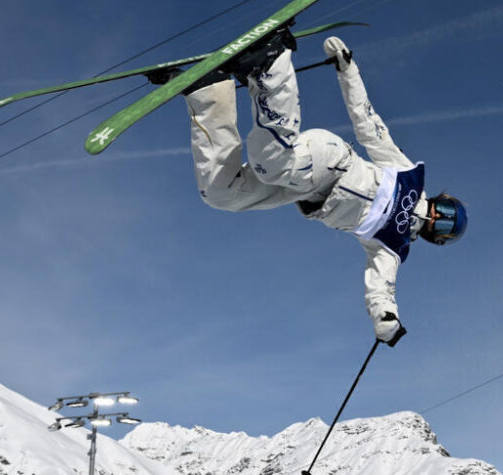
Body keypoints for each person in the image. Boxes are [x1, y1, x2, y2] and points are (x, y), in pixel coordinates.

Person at [174, 27, 467, 347]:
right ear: (443, 198)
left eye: (446, 227)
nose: (440, 219)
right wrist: (348, 72)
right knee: (270, 164)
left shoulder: (392, 247)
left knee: (223, 194)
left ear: (437, 240)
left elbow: (382, 291)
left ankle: (210, 92)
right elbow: (369, 125)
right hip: (332, 161)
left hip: (305, 191)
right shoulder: (409, 177)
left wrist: (386, 318)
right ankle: (272, 64)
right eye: (449, 211)